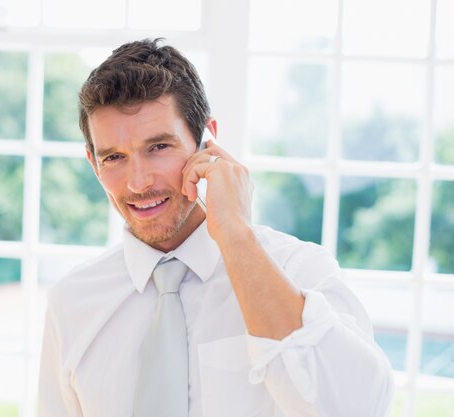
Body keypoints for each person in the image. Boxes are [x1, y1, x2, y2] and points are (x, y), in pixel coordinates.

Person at [38, 38, 394, 417]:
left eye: (159, 147)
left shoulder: (299, 272)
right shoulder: (72, 301)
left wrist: (236, 234)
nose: (138, 182)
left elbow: (356, 407)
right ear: (94, 163)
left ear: (207, 141)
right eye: (115, 157)